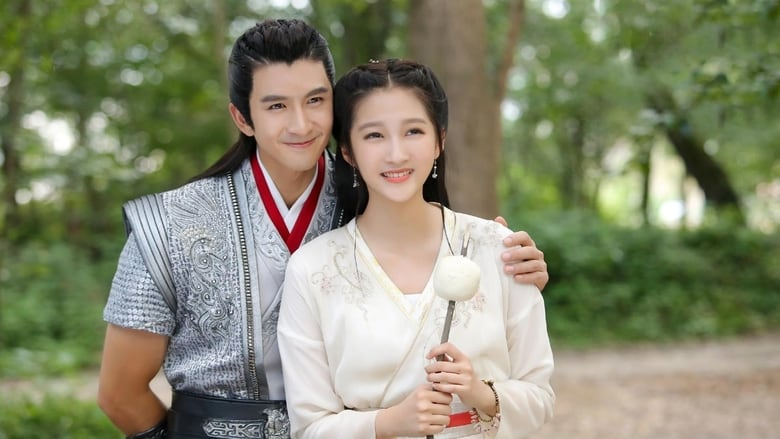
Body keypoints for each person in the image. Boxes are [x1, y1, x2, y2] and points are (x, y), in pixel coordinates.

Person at [98, 20, 549, 439]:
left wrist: (507, 269)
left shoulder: (376, 188)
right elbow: (120, 394)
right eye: (276, 105)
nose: (301, 124)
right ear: (242, 117)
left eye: (316, 100)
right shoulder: (169, 225)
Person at [277, 58, 555, 439]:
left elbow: (540, 396)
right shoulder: (312, 269)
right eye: (374, 135)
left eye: (413, 131)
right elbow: (309, 427)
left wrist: (480, 392)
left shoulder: (498, 248)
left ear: (440, 140)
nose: (396, 154)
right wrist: (388, 422)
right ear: (348, 151)